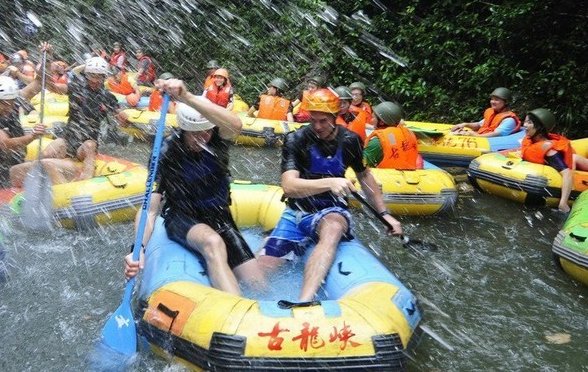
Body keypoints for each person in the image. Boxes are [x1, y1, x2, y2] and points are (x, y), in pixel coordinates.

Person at [254, 88, 402, 305]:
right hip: (297, 212)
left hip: (331, 210)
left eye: (323, 121)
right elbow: (289, 186)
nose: (317, 126)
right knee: (257, 275)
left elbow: (364, 176)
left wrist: (385, 214)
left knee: (333, 227)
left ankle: (304, 300)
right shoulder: (296, 139)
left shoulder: (350, 140)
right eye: (313, 120)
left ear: (335, 117)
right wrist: (331, 182)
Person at [123, 79, 265, 295]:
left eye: (206, 132)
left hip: (219, 215)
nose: (202, 139)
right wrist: (138, 249)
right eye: (195, 134)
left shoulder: (217, 138)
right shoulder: (166, 152)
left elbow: (236, 125)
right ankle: (236, 308)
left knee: (258, 285)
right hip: (182, 216)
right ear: (184, 130)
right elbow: (149, 209)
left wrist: (186, 96)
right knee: (213, 242)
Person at [35, 53, 128, 180]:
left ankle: (86, 180)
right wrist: (46, 63)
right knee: (47, 153)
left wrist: (123, 117)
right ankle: (35, 177)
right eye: (92, 76)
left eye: (99, 77)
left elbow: (122, 120)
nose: (95, 80)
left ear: (104, 77)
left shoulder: (107, 97)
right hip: (68, 139)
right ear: (86, 75)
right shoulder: (76, 88)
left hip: (86, 143)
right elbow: (53, 87)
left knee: (90, 145)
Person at [0, 74, 47, 188]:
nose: (8, 106)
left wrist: (47, 64)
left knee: (58, 145)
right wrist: (32, 136)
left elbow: (39, 83)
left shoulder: (15, 101)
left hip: (20, 162)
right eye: (3, 102)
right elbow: (6, 145)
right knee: (48, 167)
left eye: (11, 101)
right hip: (4, 174)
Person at [518, 108, 574, 213]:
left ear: (540, 127)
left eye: (529, 122)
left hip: (573, 165)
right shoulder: (530, 141)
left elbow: (567, 173)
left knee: (576, 159)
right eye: (525, 121)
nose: (525, 125)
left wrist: (563, 202)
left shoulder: (549, 151)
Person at [364, 101, 421, 168]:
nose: (371, 121)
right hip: (409, 172)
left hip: (386, 174)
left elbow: (362, 165)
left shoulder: (377, 142)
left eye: (373, 118)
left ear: (381, 122)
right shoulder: (408, 135)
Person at [451, 87, 521, 137]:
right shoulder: (492, 113)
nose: (492, 102)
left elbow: (496, 134)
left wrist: (476, 135)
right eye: (492, 99)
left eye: (496, 100)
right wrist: (465, 124)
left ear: (506, 102)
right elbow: (479, 125)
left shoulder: (509, 120)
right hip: (482, 136)